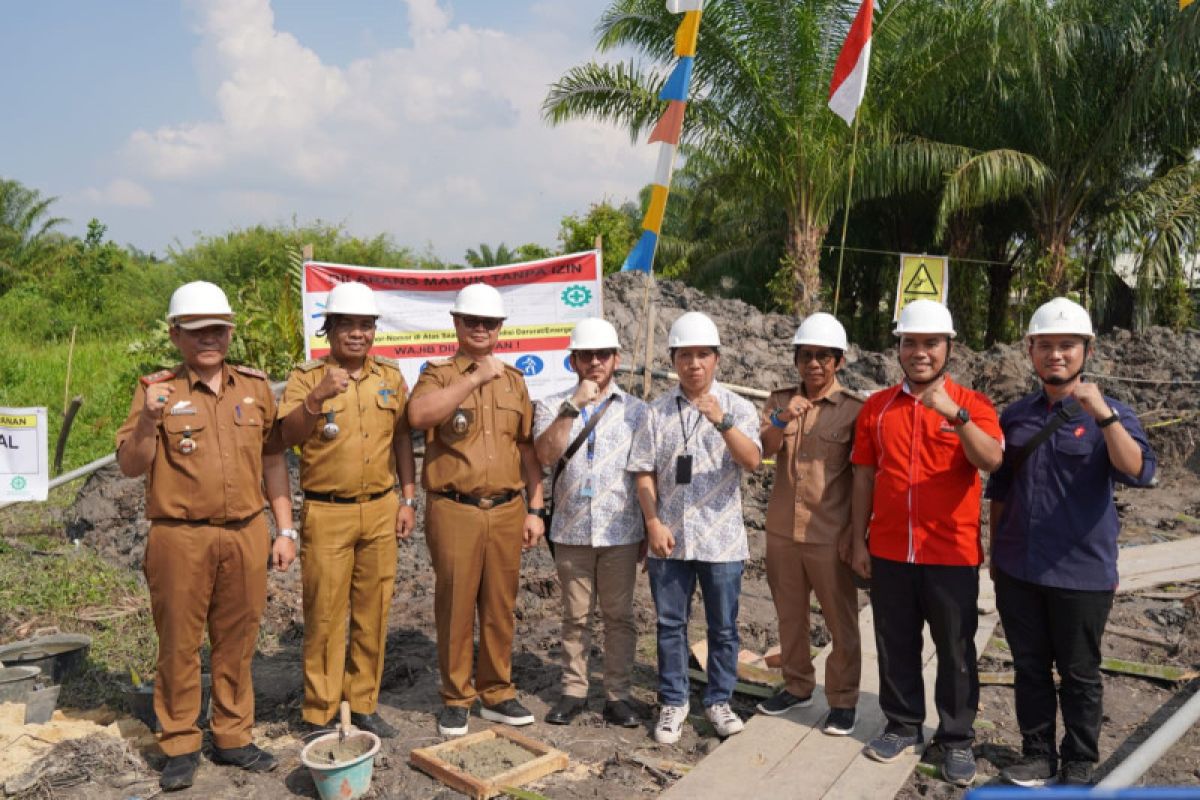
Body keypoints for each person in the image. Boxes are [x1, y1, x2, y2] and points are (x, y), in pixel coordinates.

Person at [116, 281, 295, 791]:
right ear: (176, 335)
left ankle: (233, 736)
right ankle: (179, 742)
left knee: (238, 641)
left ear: (231, 331)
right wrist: (150, 419)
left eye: (217, 329)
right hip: (180, 537)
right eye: (196, 331)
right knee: (178, 644)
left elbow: (273, 459)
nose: (209, 339)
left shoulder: (255, 387)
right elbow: (131, 465)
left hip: (245, 532)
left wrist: (284, 528)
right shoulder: (157, 390)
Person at [988, 298, 1156, 788]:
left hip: (1081, 573)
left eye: (1067, 346)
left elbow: (1140, 471)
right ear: (1030, 351)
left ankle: (1080, 760)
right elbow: (1000, 489)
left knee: (1080, 673)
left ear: (1087, 350)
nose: (1055, 355)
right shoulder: (1015, 416)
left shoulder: (1114, 413)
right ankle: (1036, 754)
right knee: (1030, 667)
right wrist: (997, 556)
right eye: (1046, 346)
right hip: (1019, 569)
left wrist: (1102, 414)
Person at [848, 299, 1003, 787]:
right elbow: (864, 477)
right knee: (895, 645)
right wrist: (858, 540)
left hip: (951, 553)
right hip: (891, 549)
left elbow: (992, 460)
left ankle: (957, 739)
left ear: (948, 347)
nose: (920, 352)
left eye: (930, 343)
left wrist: (955, 416)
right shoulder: (877, 408)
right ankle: (902, 725)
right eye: (910, 342)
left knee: (956, 650)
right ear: (898, 347)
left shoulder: (972, 405)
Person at [277, 281, 417, 739]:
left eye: (366, 325)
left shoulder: (390, 378)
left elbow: (401, 439)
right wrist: (317, 397)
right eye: (348, 325)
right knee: (324, 613)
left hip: (380, 508)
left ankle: (363, 702)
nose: (357, 334)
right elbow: (284, 438)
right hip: (327, 511)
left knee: (373, 609)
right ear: (330, 330)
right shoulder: (304, 379)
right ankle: (318, 711)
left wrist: (408, 497)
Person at [406, 282, 546, 737]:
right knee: (455, 600)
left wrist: (536, 505)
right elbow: (419, 416)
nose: (481, 329)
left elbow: (526, 448)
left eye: (489, 322)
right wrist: (473, 378)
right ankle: (456, 696)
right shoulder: (439, 373)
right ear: (457, 324)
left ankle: (497, 691)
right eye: (473, 321)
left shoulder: (515, 381)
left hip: (507, 507)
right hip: (455, 507)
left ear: (500, 327)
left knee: (500, 602)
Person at [627, 311, 762, 744]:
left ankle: (719, 700)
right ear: (673, 359)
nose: (694, 364)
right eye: (685, 355)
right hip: (670, 538)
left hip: (721, 538)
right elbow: (644, 472)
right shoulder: (656, 412)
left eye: (703, 354)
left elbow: (753, 460)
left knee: (723, 627)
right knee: (670, 624)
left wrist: (720, 420)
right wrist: (651, 522)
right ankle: (673, 701)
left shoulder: (738, 407)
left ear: (717, 359)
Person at [533, 318, 648, 729]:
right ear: (573, 361)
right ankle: (574, 691)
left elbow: (646, 474)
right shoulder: (550, 405)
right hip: (571, 530)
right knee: (575, 616)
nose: (595, 362)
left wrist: (650, 529)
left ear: (616, 359)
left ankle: (617, 695)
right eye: (587, 355)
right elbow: (545, 455)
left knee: (619, 616)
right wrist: (573, 406)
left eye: (603, 355)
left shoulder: (637, 411)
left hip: (620, 531)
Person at [757, 313, 864, 736]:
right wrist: (782, 418)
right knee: (790, 616)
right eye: (806, 356)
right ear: (796, 359)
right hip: (783, 532)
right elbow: (763, 450)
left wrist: (857, 536)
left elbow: (863, 478)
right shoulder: (779, 399)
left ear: (839, 361)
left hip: (829, 535)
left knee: (841, 621)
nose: (814, 364)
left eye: (823, 356)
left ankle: (842, 700)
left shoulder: (854, 410)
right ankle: (797, 686)